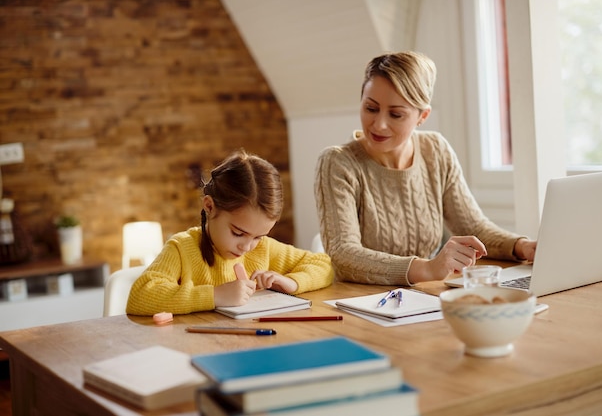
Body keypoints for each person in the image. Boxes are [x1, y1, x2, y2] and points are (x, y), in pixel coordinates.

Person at [314, 51, 536, 286]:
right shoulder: (337, 162)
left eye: (396, 114)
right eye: (371, 108)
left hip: (422, 297)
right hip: (361, 302)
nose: (379, 124)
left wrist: (522, 246)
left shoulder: (435, 150)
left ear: (422, 116)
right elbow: (343, 255)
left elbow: (473, 228)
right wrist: (427, 268)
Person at [127, 150, 334, 315]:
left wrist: (291, 282)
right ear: (209, 207)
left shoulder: (263, 249)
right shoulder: (182, 248)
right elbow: (140, 296)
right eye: (237, 233)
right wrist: (214, 295)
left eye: (258, 236)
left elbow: (324, 265)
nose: (247, 247)